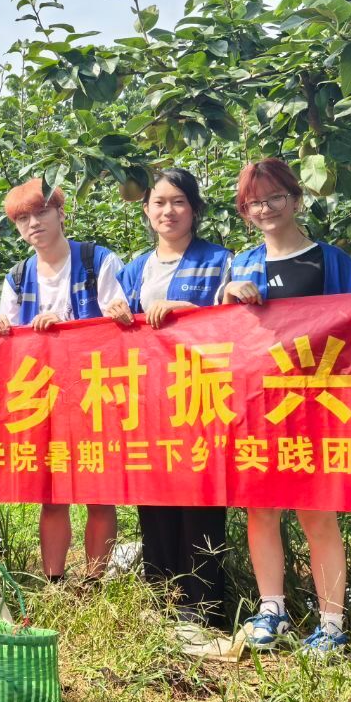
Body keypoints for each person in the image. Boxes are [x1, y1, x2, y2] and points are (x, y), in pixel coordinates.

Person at [221, 157, 351, 654]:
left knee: (317, 513)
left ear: (296, 199)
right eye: (253, 202)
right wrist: (227, 294)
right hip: (259, 407)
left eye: (274, 197)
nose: (265, 208)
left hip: (317, 408)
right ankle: (272, 610)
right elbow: (220, 337)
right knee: (261, 509)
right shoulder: (240, 265)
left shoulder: (330, 261)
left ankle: (331, 624)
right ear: (245, 212)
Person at [0, 178, 133, 582]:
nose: (33, 224)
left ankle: (94, 581)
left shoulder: (97, 260)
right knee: (52, 495)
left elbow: (120, 321)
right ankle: (54, 580)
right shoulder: (18, 276)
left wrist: (65, 325)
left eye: (41, 213)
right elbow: (10, 337)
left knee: (99, 492)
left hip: (96, 392)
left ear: (61, 214)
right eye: (22, 219)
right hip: (44, 397)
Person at [115, 169, 232, 628]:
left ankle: (204, 605)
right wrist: (116, 314)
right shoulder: (134, 269)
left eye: (179, 201)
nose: (168, 211)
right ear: (146, 210)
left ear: (195, 209)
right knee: (155, 496)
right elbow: (113, 334)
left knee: (201, 497)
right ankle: (162, 599)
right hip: (148, 399)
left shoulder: (220, 260)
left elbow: (236, 321)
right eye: (159, 202)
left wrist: (191, 313)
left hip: (201, 396)